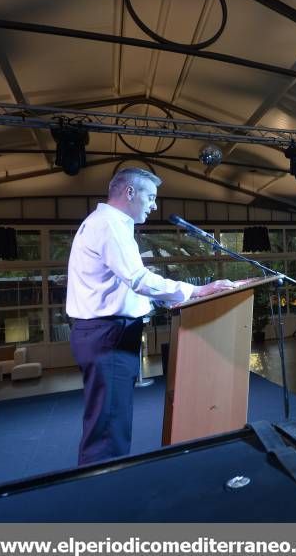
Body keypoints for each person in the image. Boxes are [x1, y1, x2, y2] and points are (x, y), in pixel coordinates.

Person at [67, 168, 234, 465]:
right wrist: (195, 292)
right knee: (108, 428)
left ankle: (103, 486)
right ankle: (104, 497)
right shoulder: (110, 225)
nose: (154, 205)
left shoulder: (106, 223)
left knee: (108, 421)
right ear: (130, 192)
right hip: (108, 336)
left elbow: (123, 286)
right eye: (151, 197)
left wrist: (161, 300)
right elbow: (137, 279)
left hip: (105, 334)